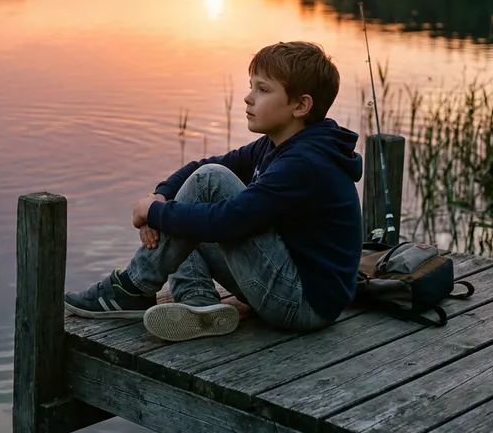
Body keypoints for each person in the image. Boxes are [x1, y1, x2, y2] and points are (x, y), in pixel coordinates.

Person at [64, 41, 363, 342]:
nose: (247, 98)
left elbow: (227, 216)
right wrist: (161, 196)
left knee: (210, 184)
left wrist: (154, 213)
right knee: (194, 203)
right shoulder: (276, 144)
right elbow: (206, 164)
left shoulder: (305, 162)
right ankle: (199, 303)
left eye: (263, 89)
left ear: (300, 105)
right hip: (288, 284)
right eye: (251, 86)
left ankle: (132, 286)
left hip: (304, 304)